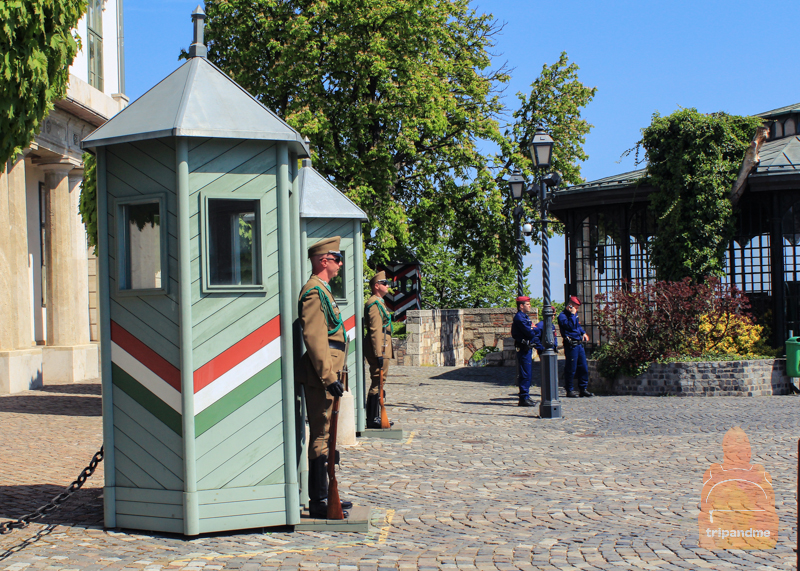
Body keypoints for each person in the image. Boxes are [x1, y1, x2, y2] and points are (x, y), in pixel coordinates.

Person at [297, 236, 352, 518]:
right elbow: (315, 337)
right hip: (322, 376)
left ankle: (328, 493)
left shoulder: (323, 291)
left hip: (330, 374)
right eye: (337, 258)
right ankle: (319, 500)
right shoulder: (313, 292)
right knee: (321, 434)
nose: (340, 264)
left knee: (328, 434)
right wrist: (328, 376)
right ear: (323, 261)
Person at [364, 270, 394, 428]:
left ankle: (376, 416)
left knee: (381, 381)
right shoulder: (374, 304)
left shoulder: (379, 302)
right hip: (380, 348)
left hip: (383, 346)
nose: (388, 285)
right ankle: (372, 418)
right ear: (377, 286)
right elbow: (375, 330)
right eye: (384, 283)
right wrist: (378, 354)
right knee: (378, 381)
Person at [557, 296, 592, 398]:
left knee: (583, 367)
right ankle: (569, 389)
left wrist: (583, 333)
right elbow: (570, 326)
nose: (576, 310)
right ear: (570, 305)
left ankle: (583, 388)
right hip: (571, 345)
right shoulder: (562, 316)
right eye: (576, 308)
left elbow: (577, 326)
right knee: (571, 368)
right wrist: (572, 315)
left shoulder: (574, 315)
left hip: (578, 344)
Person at [510, 296, 537, 407]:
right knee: (525, 373)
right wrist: (533, 329)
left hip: (526, 347)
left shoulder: (524, 317)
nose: (529, 306)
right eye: (527, 304)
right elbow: (529, 332)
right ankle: (523, 397)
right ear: (521, 306)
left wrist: (532, 328)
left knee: (527, 373)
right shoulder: (520, 318)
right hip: (523, 348)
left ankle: (525, 396)